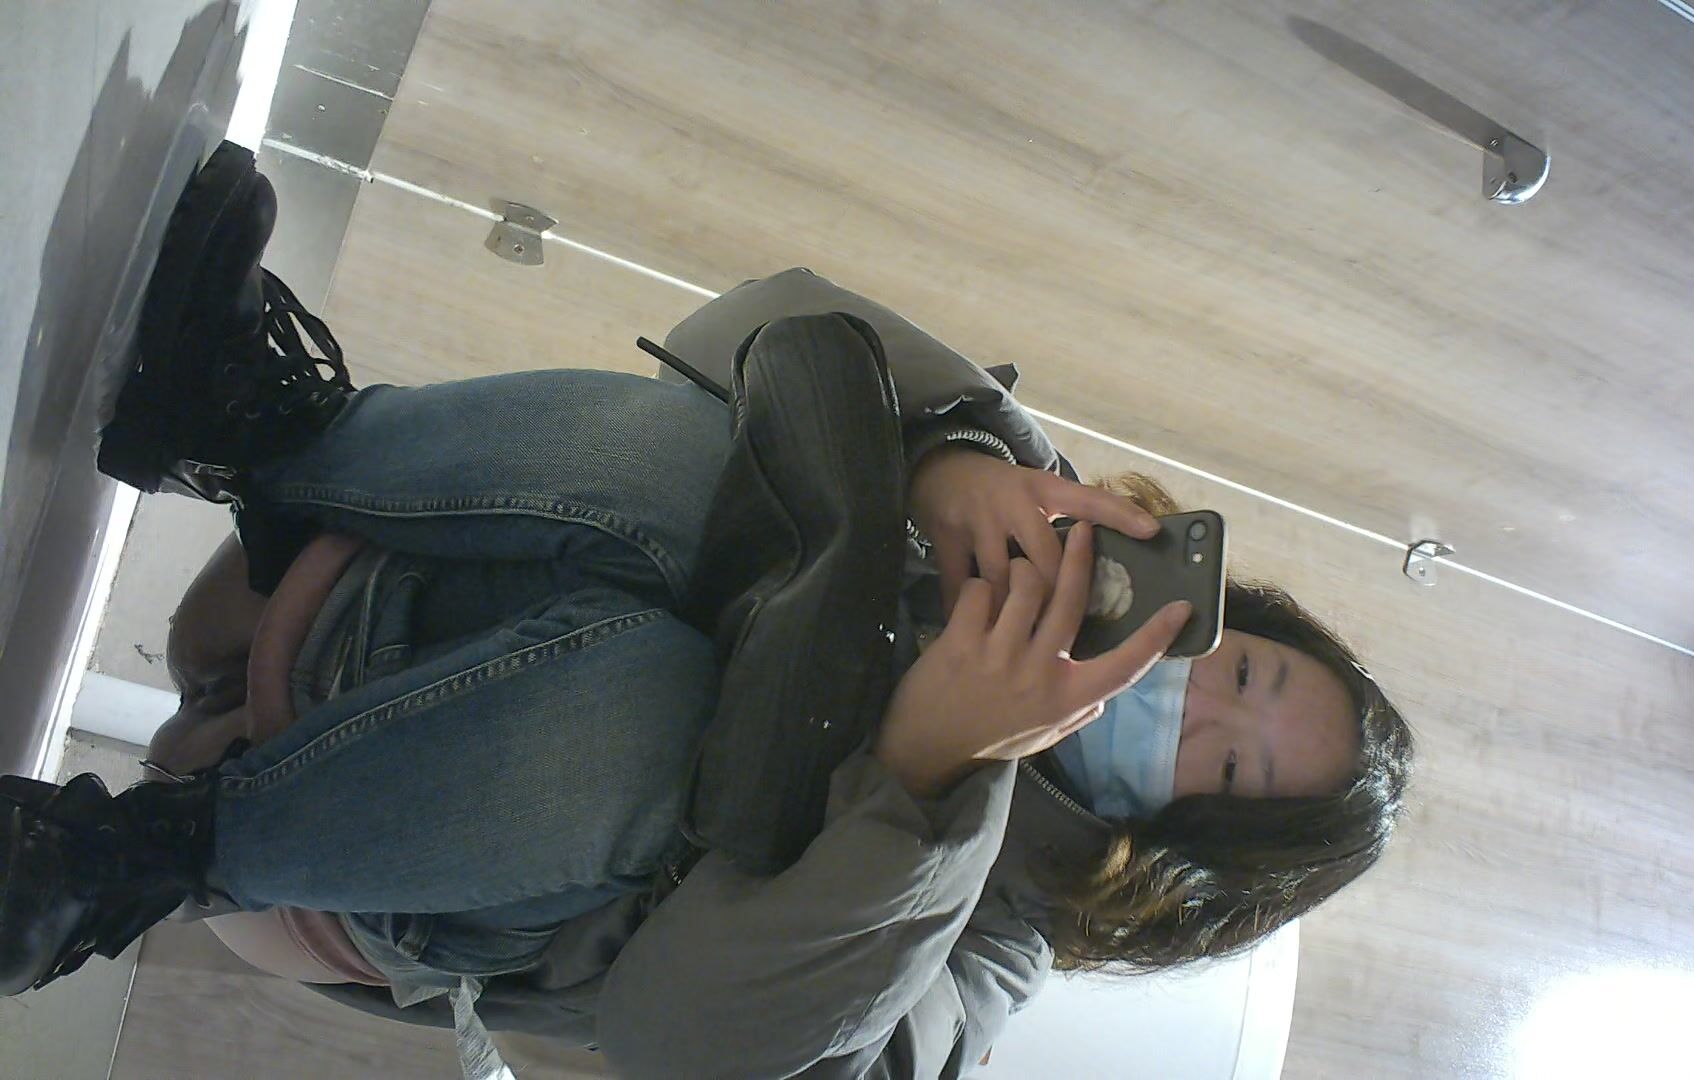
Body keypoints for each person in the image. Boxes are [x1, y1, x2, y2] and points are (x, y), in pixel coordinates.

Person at [0, 145, 1412, 1077]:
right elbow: (743, 325)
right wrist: (940, 457)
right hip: (398, 557)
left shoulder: (987, 954)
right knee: (718, 474)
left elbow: (679, 1042)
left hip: (385, 854)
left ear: (1185, 863)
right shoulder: (1024, 512)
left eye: (1227, 766)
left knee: (662, 713)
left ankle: (115, 869)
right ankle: (246, 425)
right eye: (1245, 673)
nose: (1193, 703)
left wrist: (929, 782)